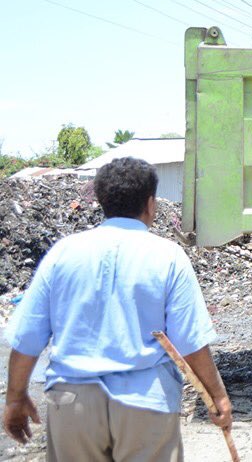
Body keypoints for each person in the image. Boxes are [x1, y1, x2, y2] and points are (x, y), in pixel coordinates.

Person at [3, 157, 232, 461]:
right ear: (151, 204)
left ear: (101, 202)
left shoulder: (63, 254)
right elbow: (189, 342)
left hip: (73, 404)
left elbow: (27, 337)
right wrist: (218, 396)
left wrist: (16, 397)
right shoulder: (168, 257)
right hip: (146, 404)